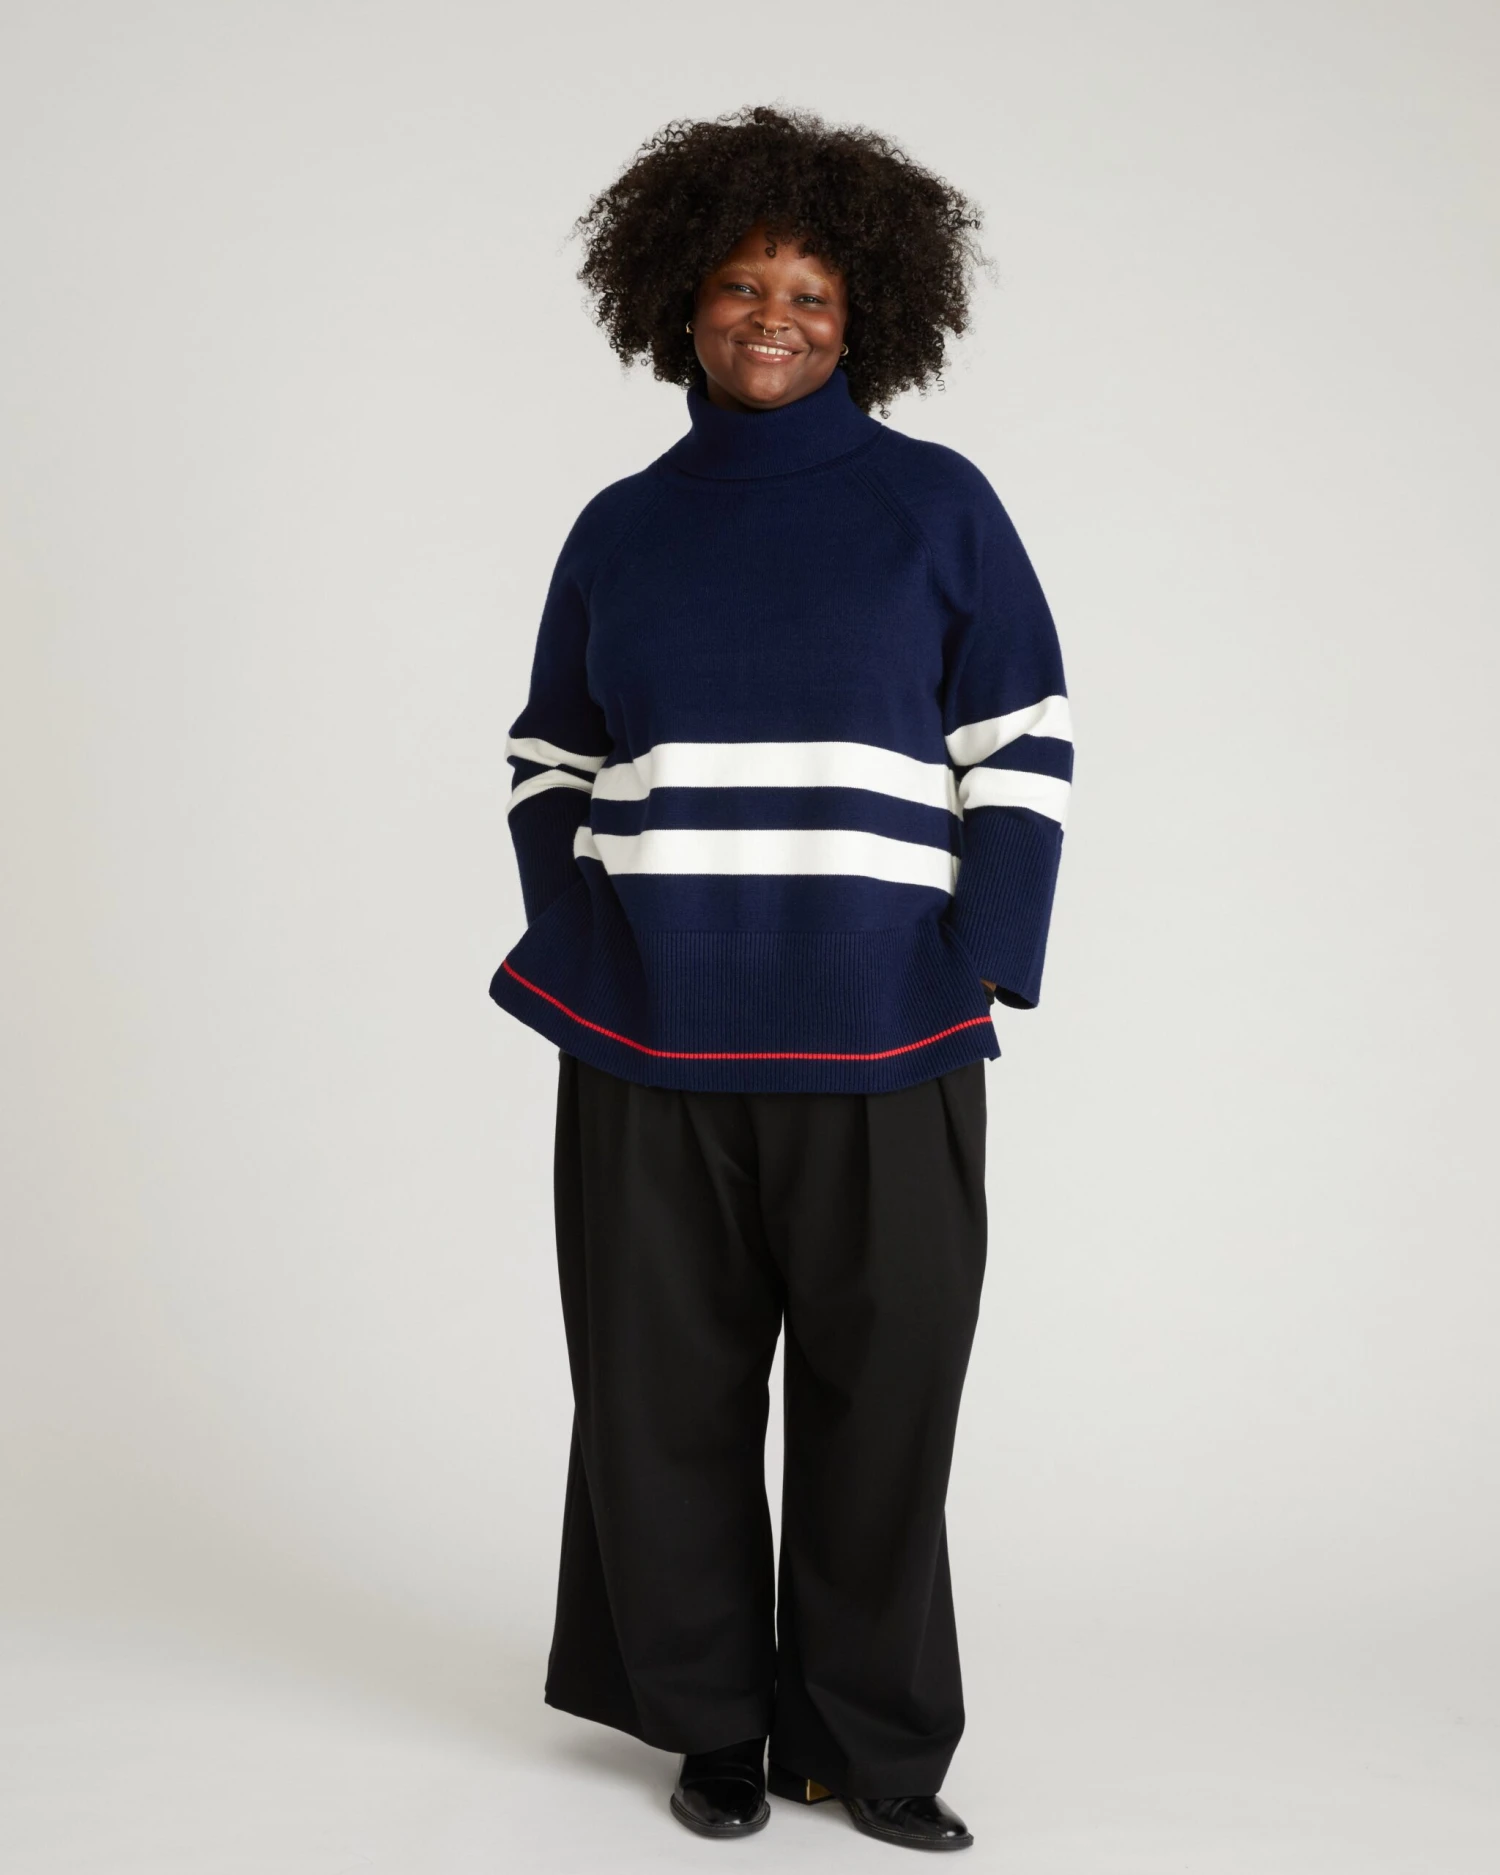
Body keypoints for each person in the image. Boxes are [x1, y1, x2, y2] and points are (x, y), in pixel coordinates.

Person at [489, 104, 1073, 1854]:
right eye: (744, 285)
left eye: (810, 291)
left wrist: (975, 963)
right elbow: (547, 757)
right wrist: (586, 944)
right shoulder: (622, 526)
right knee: (658, 1403)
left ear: (862, 312)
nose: (774, 317)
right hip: (649, 1045)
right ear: (681, 302)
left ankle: (870, 1739)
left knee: (885, 1404)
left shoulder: (936, 507)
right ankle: (713, 1724)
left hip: (888, 1038)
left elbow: (1024, 748)